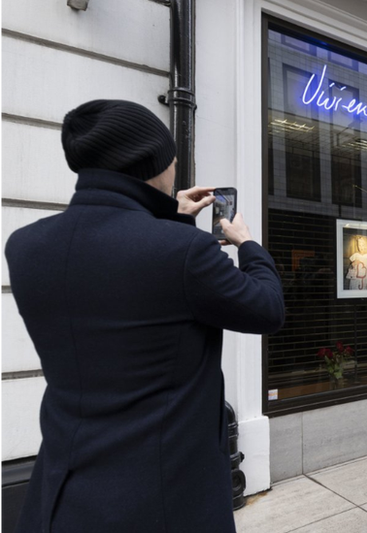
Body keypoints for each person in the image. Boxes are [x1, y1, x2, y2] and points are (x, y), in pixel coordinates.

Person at [5, 99, 286, 532]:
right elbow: (266, 309)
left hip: (61, 492)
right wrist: (248, 245)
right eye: (172, 161)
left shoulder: (24, 246)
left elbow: (135, 286)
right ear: (154, 164)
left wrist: (171, 220)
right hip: (163, 497)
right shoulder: (183, 252)